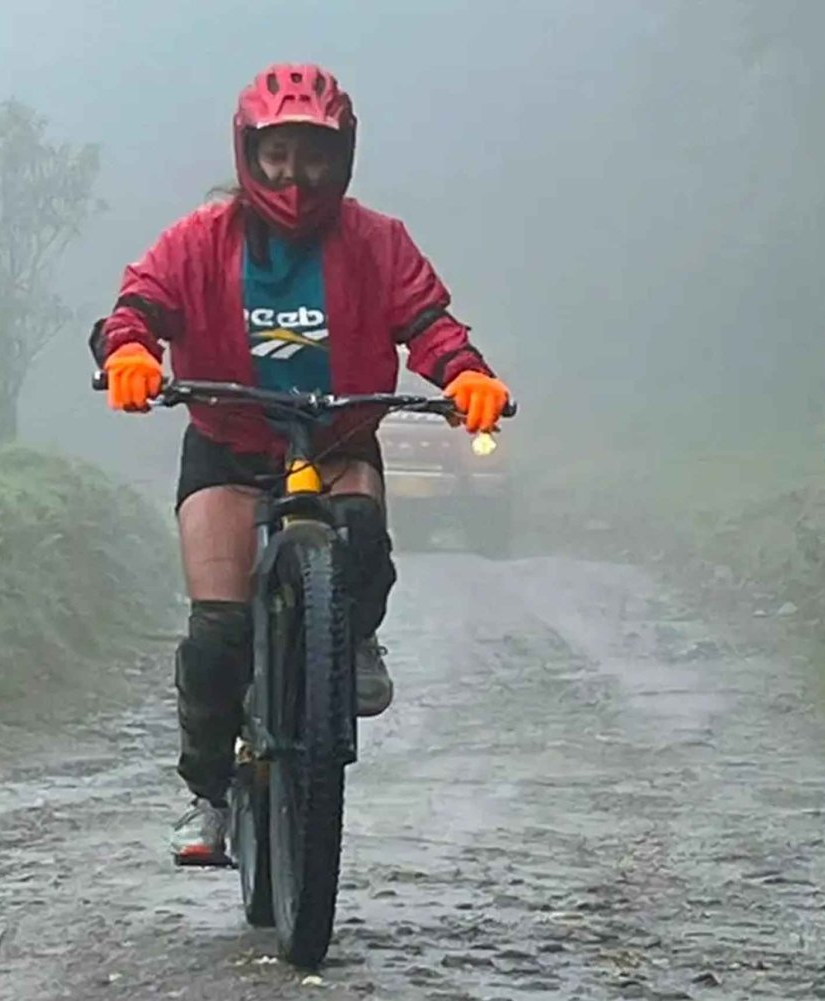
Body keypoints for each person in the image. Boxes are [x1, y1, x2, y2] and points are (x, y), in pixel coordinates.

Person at [90, 63, 512, 864]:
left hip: (336, 438)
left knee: (357, 531)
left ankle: (351, 643)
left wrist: (466, 374)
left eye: (313, 155)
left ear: (344, 156)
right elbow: (136, 306)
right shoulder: (197, 240)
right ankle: (208, 795)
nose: (294, 174)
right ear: (249, 152)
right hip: (227, 441)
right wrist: (130, 354)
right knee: (217, 634)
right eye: (278, 154)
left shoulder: (377, 241)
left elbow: (428, 322)